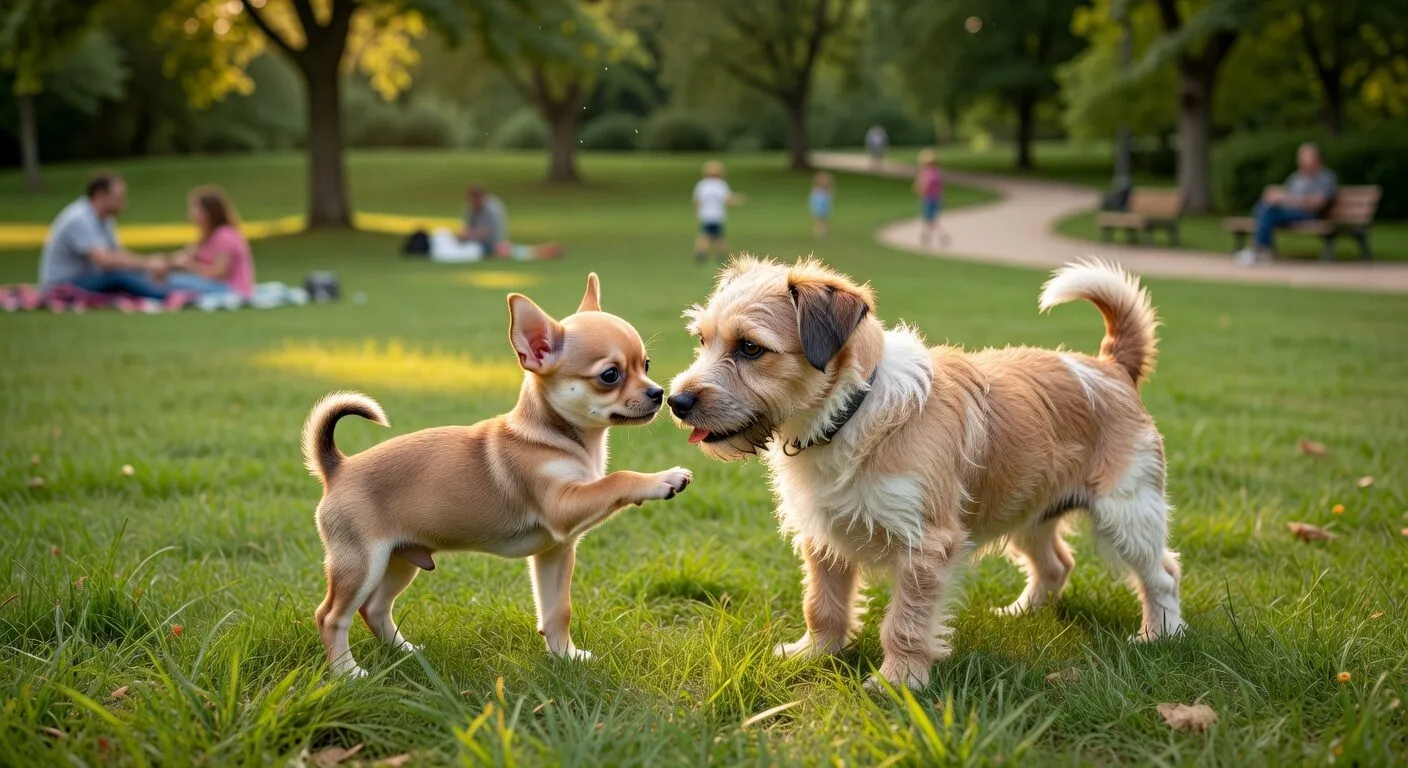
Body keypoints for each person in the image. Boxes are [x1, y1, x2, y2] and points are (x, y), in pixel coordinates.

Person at [38, 172, 172, 298]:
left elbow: (118, 255)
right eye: (119, 197)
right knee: (123, 279)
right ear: (100, 195)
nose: (124, 203)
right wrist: (147, 264)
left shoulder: (104, 219)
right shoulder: (79, 218)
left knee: (130, 275)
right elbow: (105, 261)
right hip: (63, 284)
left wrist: (150, 266)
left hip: (87, 279)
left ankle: (173, 291)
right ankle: (169, 296)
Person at [1234, 142, 1339, 266]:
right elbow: (1287, 193)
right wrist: (1276, 196)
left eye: (1306, 156)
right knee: (1264, 206)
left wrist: (1288, 199)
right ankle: (1261, 249)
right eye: (1300, 156)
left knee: (1268, 211)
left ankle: (1260, 249)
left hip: (1309, 214)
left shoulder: (1325, 177)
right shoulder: (1296, 177)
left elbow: (1318, 202)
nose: (1301, 160)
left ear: (1317, 158)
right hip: (1288, 211)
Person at [156, 186, 255, 301]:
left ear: (208, 212)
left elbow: (219, 273)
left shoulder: (224, 235)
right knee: (166, 280)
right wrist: (164, 263)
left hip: (231, 289)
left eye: (194, 209)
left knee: (172, 281)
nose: (190, 213)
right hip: (214, 285)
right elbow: (185, 255)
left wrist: (189, 267)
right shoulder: (206, 236)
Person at [431, 184, 509, 263]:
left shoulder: (491, 209)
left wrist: (467, 235)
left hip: (491, 243)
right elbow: (467, 226)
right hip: (473, 240)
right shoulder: (470, 208)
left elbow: (486, 232)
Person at [692, 160, 743, 265]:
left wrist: (697, 211)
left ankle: (703, 253)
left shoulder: (702, 185)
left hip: (706, 215)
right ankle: (719, 254)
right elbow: (727, 199)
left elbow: (697, 200)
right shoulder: (721, 185)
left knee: (706, 235)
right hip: (717, 216)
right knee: (718, 236)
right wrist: (737, 200)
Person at [913, 149, 949, 248]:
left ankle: (929, 236)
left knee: (930, 219)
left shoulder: (930, 173)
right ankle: (931, 236)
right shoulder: (935, 173)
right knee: (931, 219)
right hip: (933, 198)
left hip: (930, 198)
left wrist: (921, 190)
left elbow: (925, 186)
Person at [809, 172, 835, 239]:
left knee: (824, 219)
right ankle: (819, 232)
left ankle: (824, 232)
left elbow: (830, 197)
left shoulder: (827, 191)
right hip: (819, 207)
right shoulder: (816, 190)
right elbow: (813, 200)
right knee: (819, 220)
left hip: (825, 207)